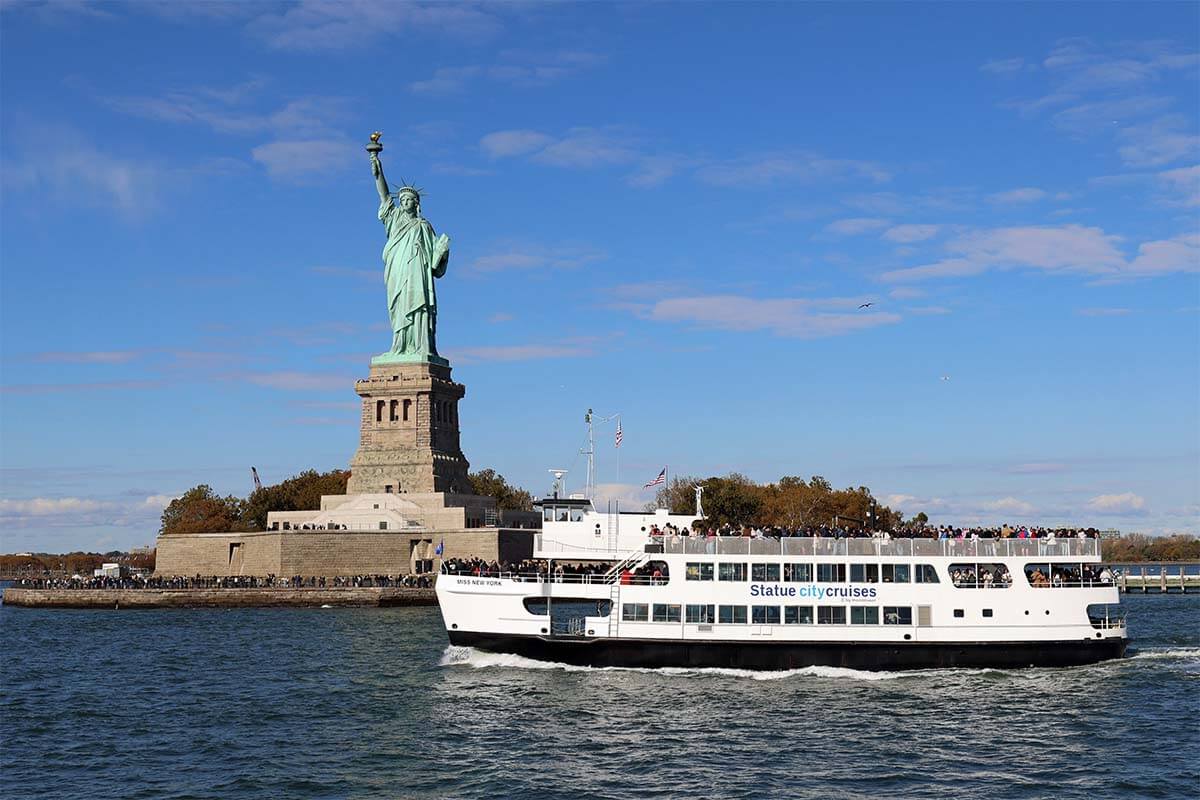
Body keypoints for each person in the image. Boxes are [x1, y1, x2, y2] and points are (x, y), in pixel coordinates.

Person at [370, 149, 450, 359]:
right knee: (399, 306)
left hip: (418, 273)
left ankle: (421, 346)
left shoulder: (424, 226)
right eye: (402, 199)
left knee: (419, 305)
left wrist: (442, 251)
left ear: (417, 203)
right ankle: (400, 345)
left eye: (409, 200)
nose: (404, 202)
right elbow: (384, 195)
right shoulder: (394, 218)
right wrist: (378, 172)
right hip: (398, 268)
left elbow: (436, 260)